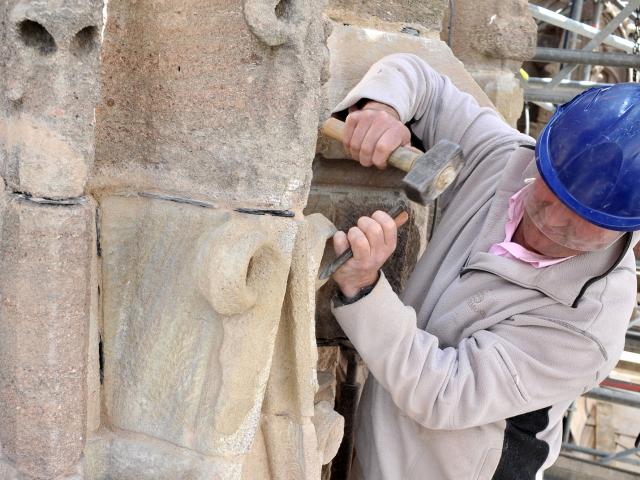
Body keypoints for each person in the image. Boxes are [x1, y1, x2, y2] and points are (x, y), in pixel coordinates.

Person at [328, 53, 640, 479]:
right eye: (550, 194)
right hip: (384, 442)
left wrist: (364, 287)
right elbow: (419, 78)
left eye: (579, 227)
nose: (547, 225)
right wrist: (383, 110)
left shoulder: (588, 325)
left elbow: (444, 394)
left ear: (625, 230)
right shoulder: (505, 160)